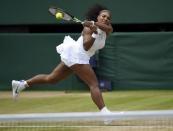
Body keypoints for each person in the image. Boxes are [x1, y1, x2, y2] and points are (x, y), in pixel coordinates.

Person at [12, 4, 113, 114]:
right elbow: (86, 46)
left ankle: (21, 84)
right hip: (77, 55)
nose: (105, 19)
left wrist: (94, 24)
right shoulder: (88, 28)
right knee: (94, 84)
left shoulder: (107, 30)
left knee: (52, 79)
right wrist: (94, 33)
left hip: (77, 56)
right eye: (103, 16)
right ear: (97, 16)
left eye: (108, 18)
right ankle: (105, 114)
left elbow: (108, 28)